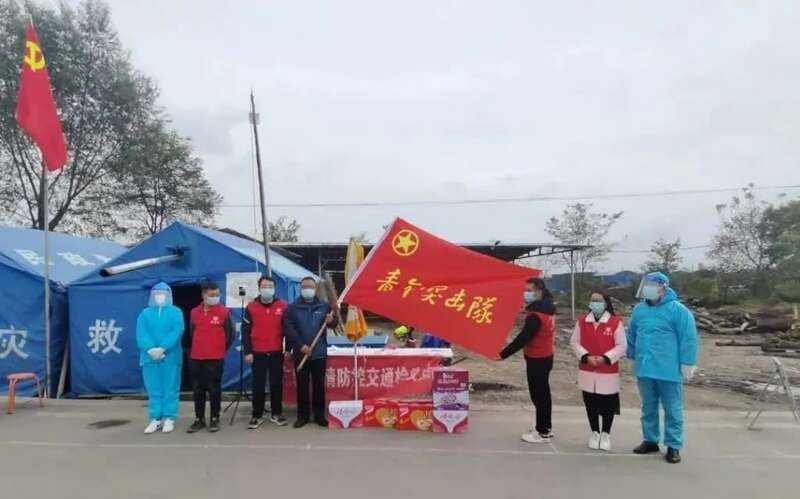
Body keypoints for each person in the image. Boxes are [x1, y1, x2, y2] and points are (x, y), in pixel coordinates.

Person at [627, 272, 698, 464]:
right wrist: (632, 355)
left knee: (672, 408)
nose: (647, 288)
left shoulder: (678, 310)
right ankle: (650, 440)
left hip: (669, 369)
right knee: (648, 406)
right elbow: (632, 333)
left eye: (651, 285)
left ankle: (673, 445)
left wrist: (688, 363)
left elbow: (689, 338)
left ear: (662, 287)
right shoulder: (639, 310)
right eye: (646, 284)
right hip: (645, 367)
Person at [499, 277, 556, 443]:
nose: (526, 294)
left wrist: (503, 354)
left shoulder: (536, 315)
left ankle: (542, 432)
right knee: (543, 394)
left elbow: (524, 338)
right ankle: (544, 426)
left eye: (529, 290)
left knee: (539, 395)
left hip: (538, 358)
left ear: (539, 291)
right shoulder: (547, 307)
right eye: (525, 290)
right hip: (546, 355)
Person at [570, 291, 627, 452]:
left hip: (608, 370)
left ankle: (606, 434)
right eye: (593, 300)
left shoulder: (615, 322)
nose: (595, 303)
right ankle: (594, 432)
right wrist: (585, 356)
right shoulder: (582, 322)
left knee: (608, 403)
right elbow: (574, 342)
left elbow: (622, 345)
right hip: (587, 369)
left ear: (606, 303)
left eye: (599, 300)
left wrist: (606, 358)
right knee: (590, 402)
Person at [283, 276, 337, 428]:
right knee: (302, 386)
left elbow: (334, 323)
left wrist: (331, 321)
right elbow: (289, 329)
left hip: (319, 352)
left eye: (311, 287)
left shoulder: (324, 306)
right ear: (301, 289)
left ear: (315, 289)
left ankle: (319, 416)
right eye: (305, 287)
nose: (308, 289)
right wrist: (300, 346)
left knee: (319, 386)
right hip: (301, 353)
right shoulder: (292, 308)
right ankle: (303, 416)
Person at [136, 282, 184, 434]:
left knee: (170, 387)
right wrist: (150, 349)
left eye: (163, 294)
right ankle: (155, 418)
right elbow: (141, 333)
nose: (160, 297)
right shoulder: (145, 314)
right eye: (157, 294)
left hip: (170, 356)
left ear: (169, 295)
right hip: (149, 357)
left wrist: (163, 347)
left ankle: (169, 417)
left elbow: (177, 331)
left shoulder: (176, 312)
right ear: (152, 295)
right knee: (153, 388)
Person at [242, 275, 289, 429]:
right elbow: (245, 331)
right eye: (264, 286)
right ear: (259, 288)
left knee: (276, 384)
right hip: (257, 353)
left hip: (276, 351)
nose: (267, 289)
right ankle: (257, 415)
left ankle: (277, 413)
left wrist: (288, 349)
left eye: (270, 286)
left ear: (274, 288)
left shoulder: (283, 306)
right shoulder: (251, 307)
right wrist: (248, 352)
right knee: (258, 385)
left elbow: (288, 330)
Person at [186, 281, 233, 434]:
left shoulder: (224, 312)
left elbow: (230, 335)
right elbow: (192, 332)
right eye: (212, 295)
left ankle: (214, 418)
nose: (215, 297)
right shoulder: (194, 312)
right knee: (198, 389)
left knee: (214, 389)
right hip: (196, 357)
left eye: (217, 295)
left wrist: (219, 348)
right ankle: (199, 419)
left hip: (215, 358)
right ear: (203, 295)